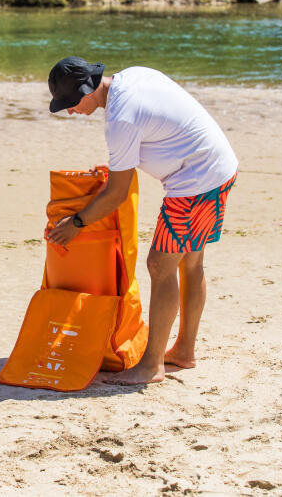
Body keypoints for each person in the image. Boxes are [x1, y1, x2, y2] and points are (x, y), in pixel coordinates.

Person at [46, 57, 238, 385]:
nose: (70, 111)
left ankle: (151, 367)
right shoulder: (132, 78)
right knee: (190, 264)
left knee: (160, 266)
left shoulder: (121, 118)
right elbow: (151, 132)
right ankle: (184, 352)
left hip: (195, 184)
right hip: (218, 167)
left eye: (70, 104)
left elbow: (117, 193)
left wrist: (76, 223)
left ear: (86, 91)